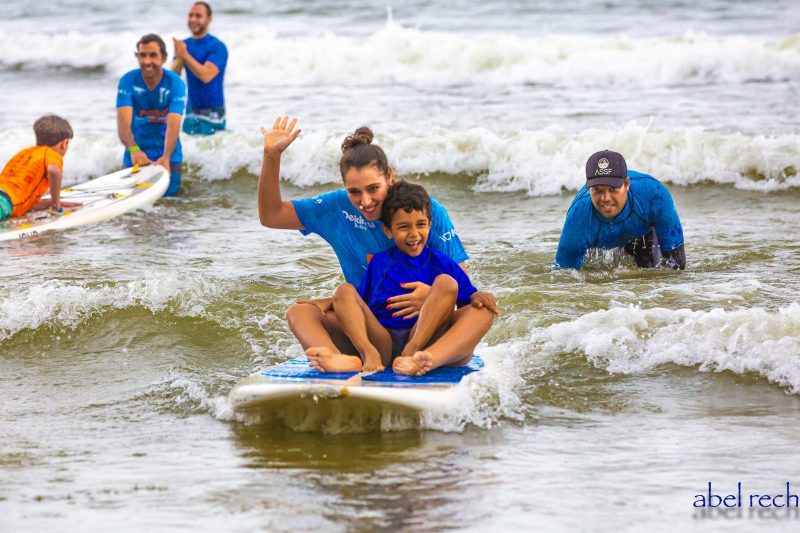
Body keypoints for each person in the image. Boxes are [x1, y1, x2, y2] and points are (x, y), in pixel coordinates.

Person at [257, 116, 499, 372]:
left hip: (428, 330)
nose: (365, 201)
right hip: (373, 330)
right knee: (299, 312)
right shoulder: (336, 207)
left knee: (481, 311)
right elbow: (271, 216)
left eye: (374, 188)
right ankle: (335, 360)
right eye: (354, 192)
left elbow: (457, 284)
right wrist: (272, 155)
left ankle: (427, 359)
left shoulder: (425, 211)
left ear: (390, 177)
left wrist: (429, 296)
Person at [311, 181, 495, 376]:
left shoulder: (442, 264)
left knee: (449, 284)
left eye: (421, 224)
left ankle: (412, 353)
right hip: (383, 343)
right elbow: (359, 302)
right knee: (343, 290)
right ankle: (367, 354)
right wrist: (331, 302)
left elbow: (468, 298)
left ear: (430, 224)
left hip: (424, 339)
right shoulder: (380, 263)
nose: (414, 234)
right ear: (388, 231)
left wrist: (478, 296)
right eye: (404, 227)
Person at [555, 150, 686, 270]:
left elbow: (677, 265)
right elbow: (563, 277)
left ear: (627, 184)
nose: (605, 198)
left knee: (650, 271)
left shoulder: (655, 196)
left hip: (643, 230)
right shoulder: (578, 218)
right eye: (598, 190)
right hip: (598, 234)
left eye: (613, 189)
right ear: (589, 188)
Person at [117, 33, 186, 197]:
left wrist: (166, 156)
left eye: (153, 55)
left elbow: (174, 123)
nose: (147, 61)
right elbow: (123, 123)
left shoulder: (175, 83)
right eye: (142, 55)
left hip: (169, 154)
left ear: (164, 58)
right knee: (133, 208)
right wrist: (134, 150)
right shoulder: (128, 81)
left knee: (168, 204)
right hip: (136, 152)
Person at [0, 115, 79, 221]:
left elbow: (18, 200)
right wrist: (56, 206)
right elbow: (54, 171)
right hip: (3, 202)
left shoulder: (24, 153)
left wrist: (47, 203)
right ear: (64, 144)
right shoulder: (51, 154)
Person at [171, 2, 228, 135]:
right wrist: (179, 57)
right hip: (190, 111)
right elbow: (174, 77)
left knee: (210, 154)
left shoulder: (217, 47)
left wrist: (184, 55)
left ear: (209, 19)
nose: (193, 19)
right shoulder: (184, 45)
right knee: (189, 154)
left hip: (214, 112)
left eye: (198, 16)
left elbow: (206, 75)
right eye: (190, 15)